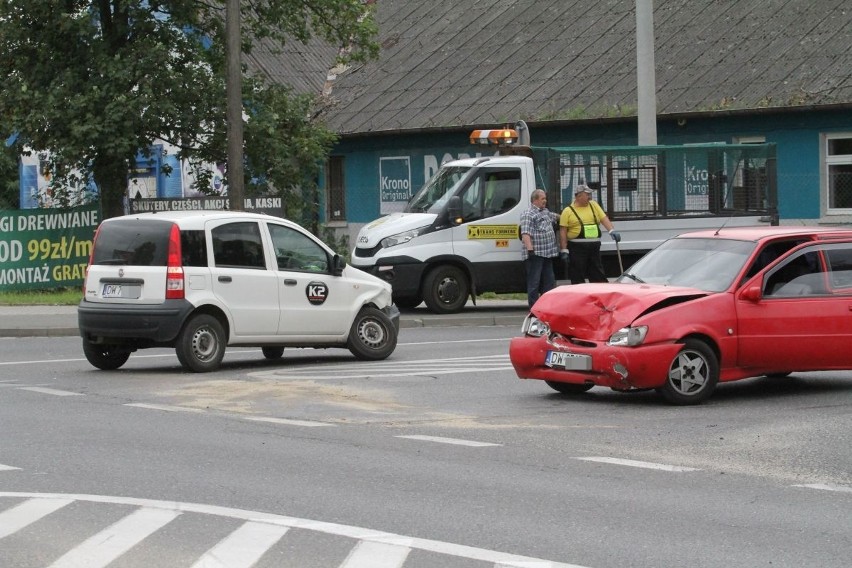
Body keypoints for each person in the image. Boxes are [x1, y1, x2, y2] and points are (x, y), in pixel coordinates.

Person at [559, 184, 621, 284]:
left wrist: (611, 231)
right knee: (577, 273)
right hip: (576, 247)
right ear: (579, 196)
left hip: (594, 247)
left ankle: (600, 294)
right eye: (587, 194)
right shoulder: (568, 211)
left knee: (597, 273)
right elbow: (563, 231)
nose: (590, 197)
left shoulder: (594, 205)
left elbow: (603, 218)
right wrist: (564, 249)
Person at [520, 189, 559, 307]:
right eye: (543, 199)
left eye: (545, 198)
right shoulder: (528, 214)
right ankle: (534, 308)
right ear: (535, 200)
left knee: (549, 282)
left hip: (547, 254)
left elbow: (556, 217)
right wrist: (530, 250)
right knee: (534, 282)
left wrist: (569, 216)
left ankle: (546, 306)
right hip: (536, 254)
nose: (545, 201)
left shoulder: (545, 212)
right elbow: (525, 233)